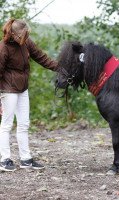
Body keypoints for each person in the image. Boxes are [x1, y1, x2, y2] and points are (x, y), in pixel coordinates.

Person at [0, 18, 58, 172]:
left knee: (24, 124)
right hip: (8, 90)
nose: (26, 39)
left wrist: (61, 68)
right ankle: (4, 159)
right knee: (6, 125)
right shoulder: (3, 47)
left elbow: (41, 57)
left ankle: (26, 159)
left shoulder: (26, 42)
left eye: (27, 35)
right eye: (23, 36)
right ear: (13, 34)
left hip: (23, 89)